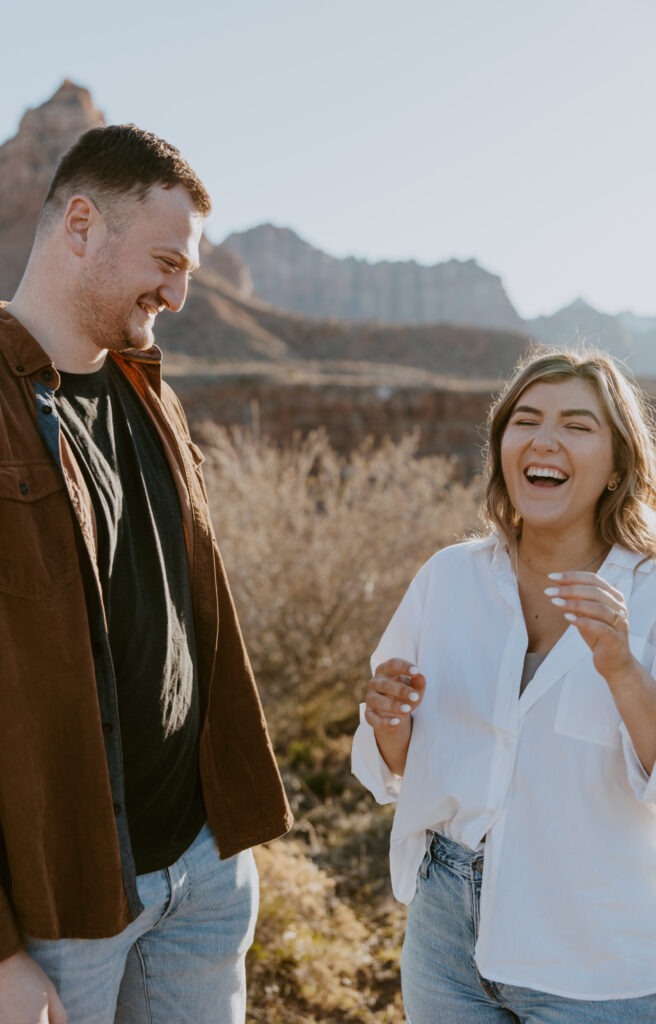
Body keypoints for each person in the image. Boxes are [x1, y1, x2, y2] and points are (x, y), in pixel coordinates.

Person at [0, 125, 292, 1024]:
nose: (176, 293)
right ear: (80, 223)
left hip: (204, 868)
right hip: (64, 902)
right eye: (166, 262)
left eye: (189, 273)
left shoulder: (151, 394)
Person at [352, 349, 656, 1023]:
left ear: (618, 462)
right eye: (524, 419)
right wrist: (387, 724)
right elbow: (396, 762)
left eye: (576, 425)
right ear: (502, 445)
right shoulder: (449, 578)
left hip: (595, 944)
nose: (543, 439)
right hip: (445, 928)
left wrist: (621, 667)